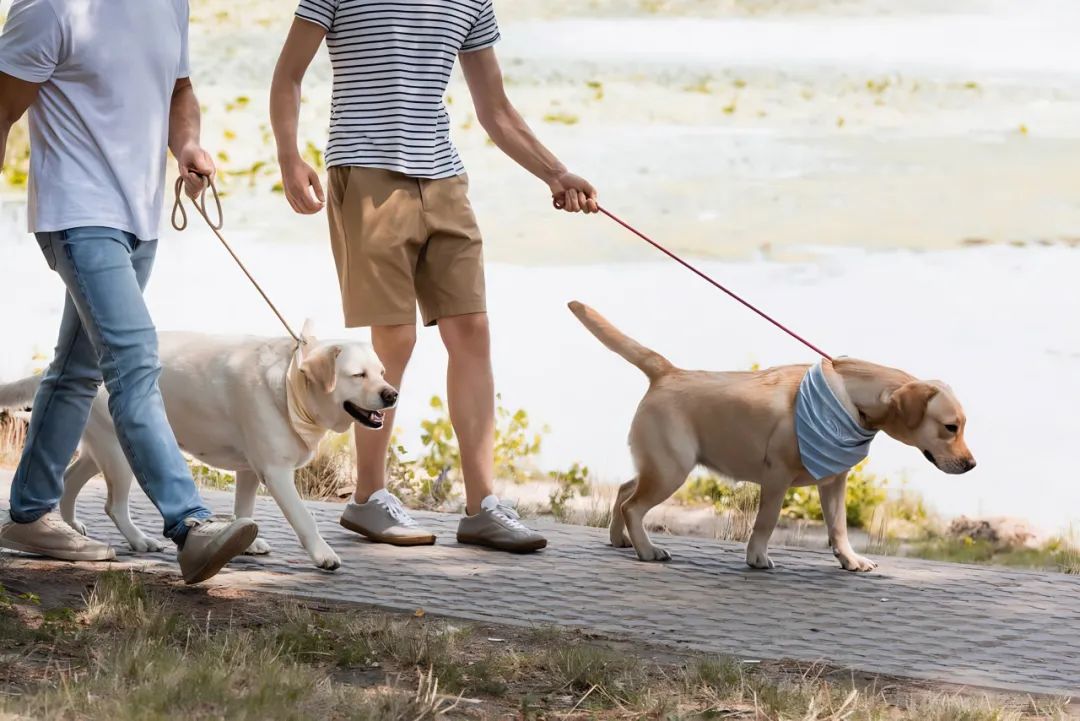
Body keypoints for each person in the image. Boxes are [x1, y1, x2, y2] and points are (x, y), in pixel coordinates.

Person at [270, 0, 598, 552]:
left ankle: (483, 507)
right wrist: (288, 156)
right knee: (392, 339)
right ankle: (368, 499)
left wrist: (556, 172)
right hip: (366, 172)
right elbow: (288, 76)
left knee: (472, 331)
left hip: (445, 180)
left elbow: (495, 108)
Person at [0, 0, 258, 584]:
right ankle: (190, 525)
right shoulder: (50, 8)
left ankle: (30, 512)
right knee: (135, 361)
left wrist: (186, 144)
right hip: (77, 212)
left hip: (139, 219)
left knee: (76, 369)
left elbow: (179, 88)